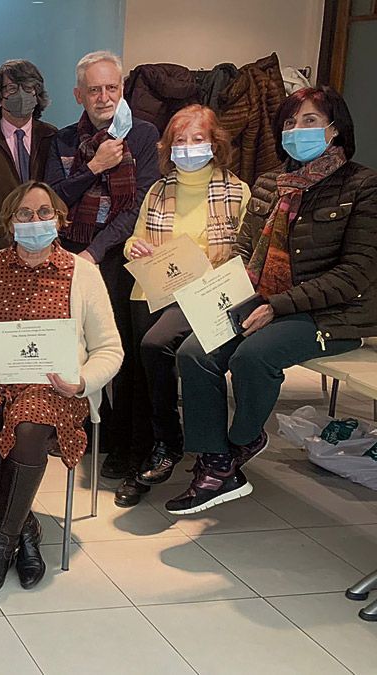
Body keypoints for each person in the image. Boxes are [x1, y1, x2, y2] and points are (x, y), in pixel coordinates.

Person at [164, 86, 376, 515]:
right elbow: (245, 251)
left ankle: (243, 441)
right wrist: (226, 291)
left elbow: (355, 274)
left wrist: (277, 306)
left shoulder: (363, 185)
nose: (298, 131)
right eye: (291, 122)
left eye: (311, 121)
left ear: (336, 129)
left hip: (332, 312)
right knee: (194, 351)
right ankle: (216, 461)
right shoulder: (269, 182)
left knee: (251, 358)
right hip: (263, 299)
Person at [0, 181, 123, 597]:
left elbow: (109, 349)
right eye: (24, 214)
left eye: (45, 213)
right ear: (9, 222)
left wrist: (82, 382)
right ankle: (25, 526)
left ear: (60, 220)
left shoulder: (83, 273)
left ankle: (1, 543)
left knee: (29, 428)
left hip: (55, 387)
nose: (35, 221)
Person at [113, 105, 250, 508]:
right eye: (180, 141)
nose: (188, 148)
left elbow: (246, 254)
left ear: (215, 144)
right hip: (156, 291)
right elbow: (133, 241)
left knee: (158, 346)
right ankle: (155, 451)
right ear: (167, 147)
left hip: (209, 294)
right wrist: (134, 247)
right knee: (142, 365)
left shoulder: (236, 190)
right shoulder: (158, 190)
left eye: (197, 139)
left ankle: (172, 444)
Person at [45, 50, 160, 482]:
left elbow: (142, 203)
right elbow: (56, 199)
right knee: (81, 348)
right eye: (94, 89)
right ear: (79, 94)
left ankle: (134, 445)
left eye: (111, 87)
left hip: (123, 257)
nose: (104, 96)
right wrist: (94, 167)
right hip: (71, 253)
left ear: (123, 88)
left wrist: (98, 250)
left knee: (124, 352)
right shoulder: (62, 141)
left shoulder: (144, 135)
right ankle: (100, 429)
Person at [0, 60, 59, 252]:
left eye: (28, 88)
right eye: (12, 88)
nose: (21, 95)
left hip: (46, 245)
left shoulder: (53, 138)